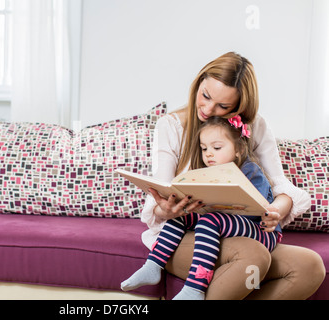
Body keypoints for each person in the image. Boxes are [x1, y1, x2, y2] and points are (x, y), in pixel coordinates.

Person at [136, 52, 325, 299]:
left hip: (240, 229)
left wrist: (276, 208)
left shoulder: (254, 127)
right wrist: (165, 210)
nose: (208, 109)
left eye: (223, 106)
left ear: (239, 106)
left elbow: (281, 185)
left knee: (309, 265)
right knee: (253, 255)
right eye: (205, 96)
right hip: (184, 233)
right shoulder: (170, 126)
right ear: (199, 82)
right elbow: (161, 192)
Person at [121, 116, 282, 300]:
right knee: (182, 215)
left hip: (263, 232)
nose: (209, 154)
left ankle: (195, 288)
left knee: (210, 220)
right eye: (204, 148)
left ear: (239, 149)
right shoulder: (210, 173)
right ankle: (153, 265)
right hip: (230, 225)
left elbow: (258, 207)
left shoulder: (251, 171)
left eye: (217, 148)